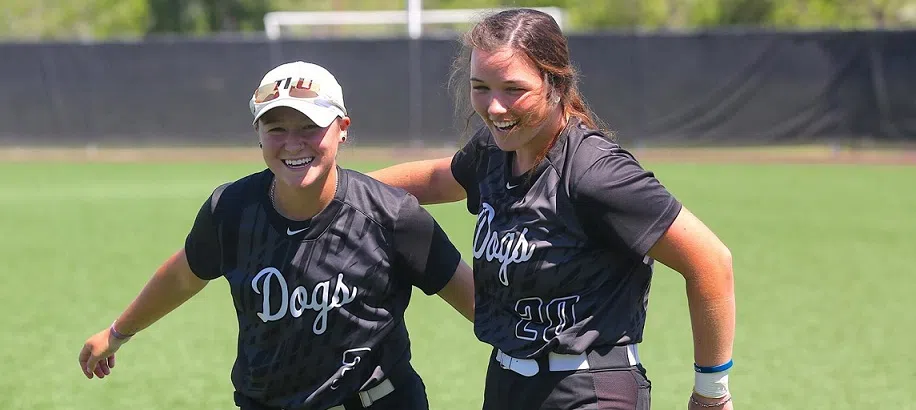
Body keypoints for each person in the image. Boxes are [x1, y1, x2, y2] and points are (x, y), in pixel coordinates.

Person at [367, 8, 736, 410]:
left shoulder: (596, 172)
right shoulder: (493, 153)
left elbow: (710, 262)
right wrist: (343, 188)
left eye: (513, 89)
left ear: (555, 84)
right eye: (481, 87)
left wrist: (711, 393)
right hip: (508, 383)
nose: (494, 107)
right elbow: (439, 178)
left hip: (589, 388)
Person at [78, 60, 475, 410]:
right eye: (277, 128)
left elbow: (480, 305)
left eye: (310, 127)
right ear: (258, 132)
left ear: (342, 129)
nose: (293, 142)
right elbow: (184, 274)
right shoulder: (231, 210)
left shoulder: (393, 217)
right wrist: (117, 333)